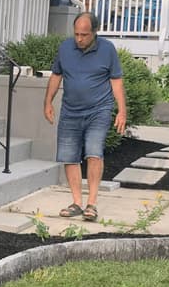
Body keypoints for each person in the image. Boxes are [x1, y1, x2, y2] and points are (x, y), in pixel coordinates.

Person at [43, 12, 127, 222]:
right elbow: (56, 75)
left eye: (84, 35)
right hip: (71, 111)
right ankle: (77, 202)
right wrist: (48, 102)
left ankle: (92, 204)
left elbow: (116, 81)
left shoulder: (107, 49)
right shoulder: (65, 48)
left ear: (94, 32)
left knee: (94, 152)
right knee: (69, 156)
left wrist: (122, 110)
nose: (79, 39)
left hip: (99, 110)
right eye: (77, 34)